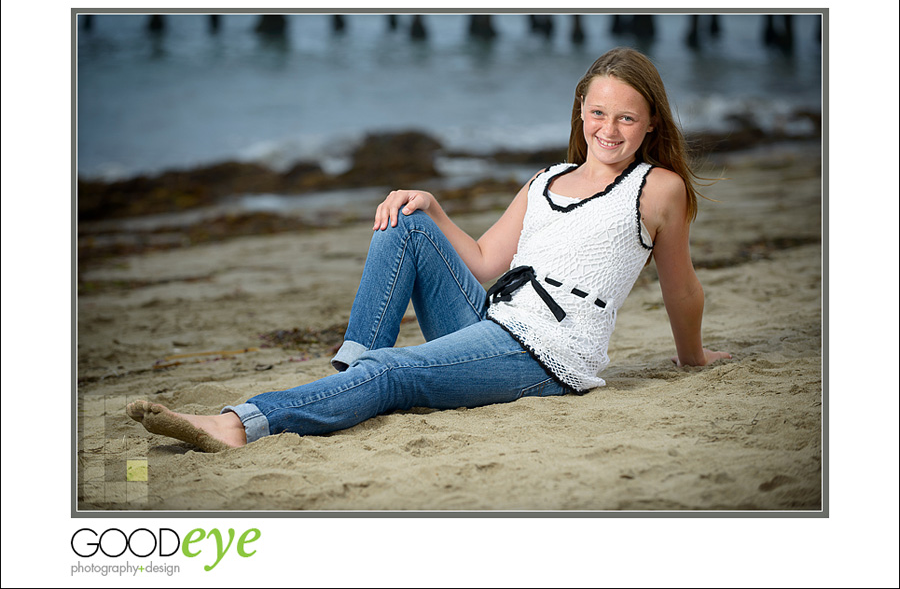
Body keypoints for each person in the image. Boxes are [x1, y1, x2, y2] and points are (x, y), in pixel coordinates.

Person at [126, 47, 732, 452]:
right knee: (408, 220)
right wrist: (435, 205)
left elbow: (680, 285)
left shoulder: (658, 189)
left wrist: (692, 356)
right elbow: (489, 263)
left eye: (627, 118)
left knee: (397, 373)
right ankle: (351, 371)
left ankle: (238, 423)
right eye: (598, 112)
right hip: (494, 318)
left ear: (652, 122)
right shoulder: (546, 179)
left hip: (549, 354)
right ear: (581, 110)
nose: (609, 129)